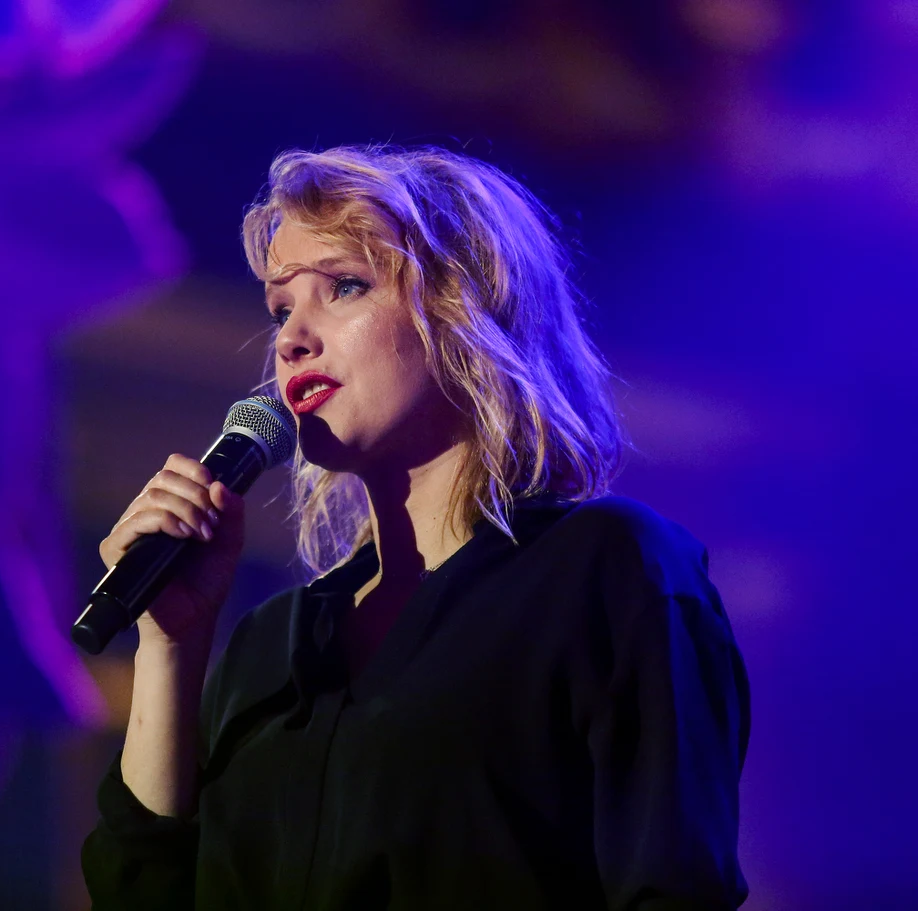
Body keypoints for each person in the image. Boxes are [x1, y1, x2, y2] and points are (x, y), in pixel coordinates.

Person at [80, 145, 750, 910]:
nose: (291, 339)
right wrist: (171, 649)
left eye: (344, 285)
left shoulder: (607, 572)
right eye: (280, 309)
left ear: (464, 306)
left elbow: (670, 887)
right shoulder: (270, 647)